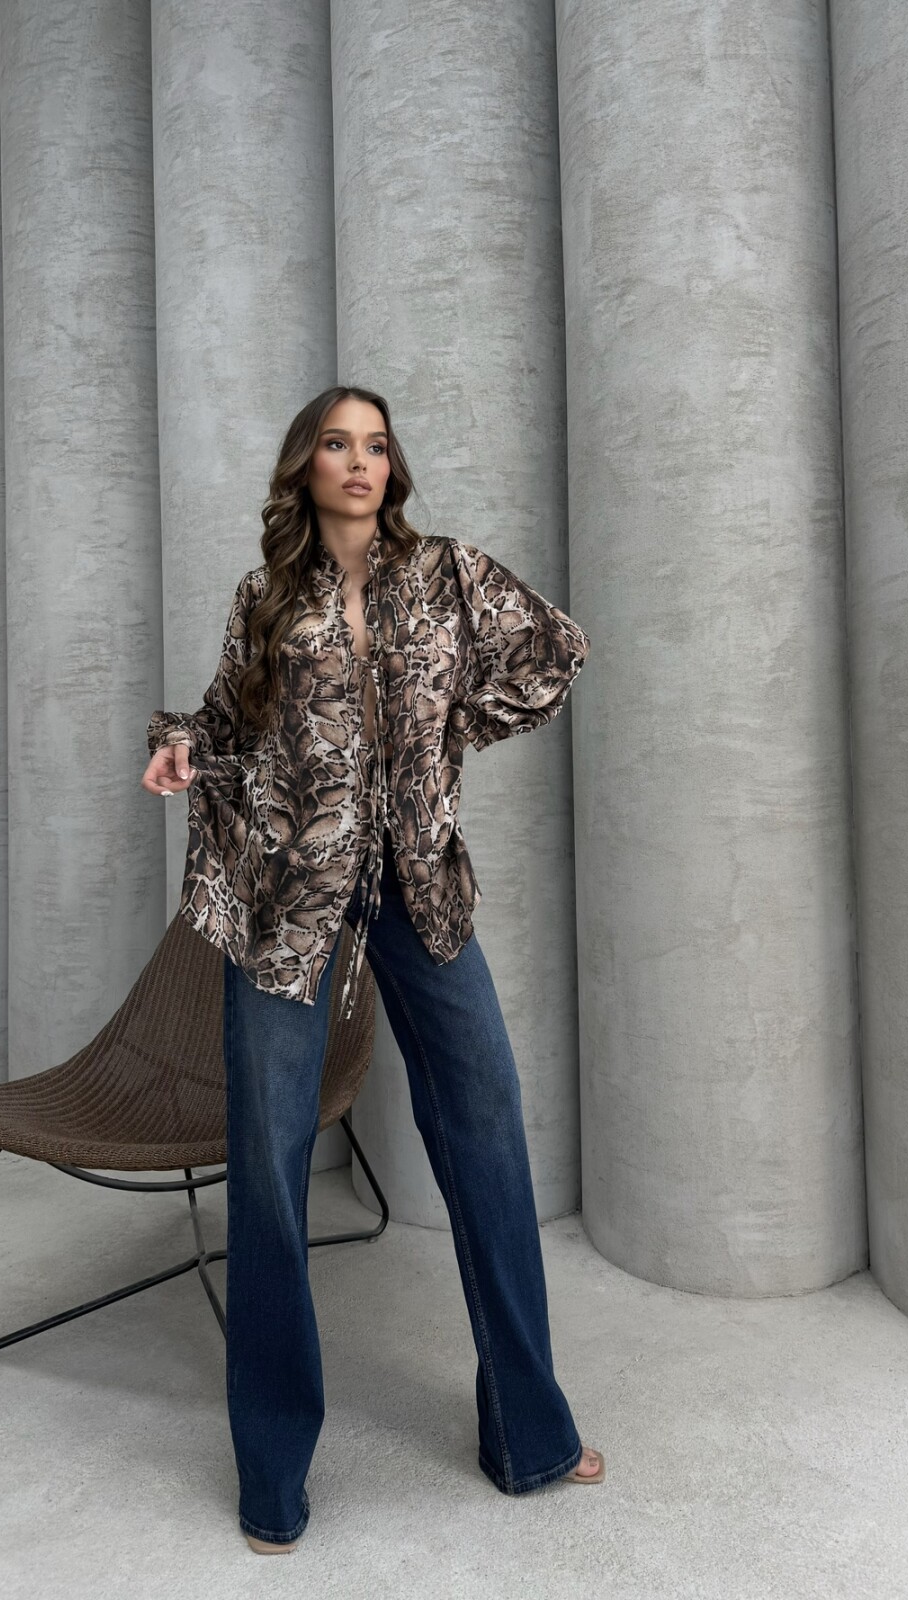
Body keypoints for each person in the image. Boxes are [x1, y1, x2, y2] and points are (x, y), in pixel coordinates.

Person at [140, 385, 602, 1555]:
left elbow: (555, 652)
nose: (360, 462)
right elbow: (226, 725)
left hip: (418, 880)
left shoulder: (447, 573)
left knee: (486, 1123)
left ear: (393, 468)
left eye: (377, 445)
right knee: (269, 1159)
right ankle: (272, 1479)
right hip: (290, 893)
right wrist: (178, 746)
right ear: (307, 466)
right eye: (338, 444)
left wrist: (448, 737)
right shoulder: (264, 597)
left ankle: (531, 1432)